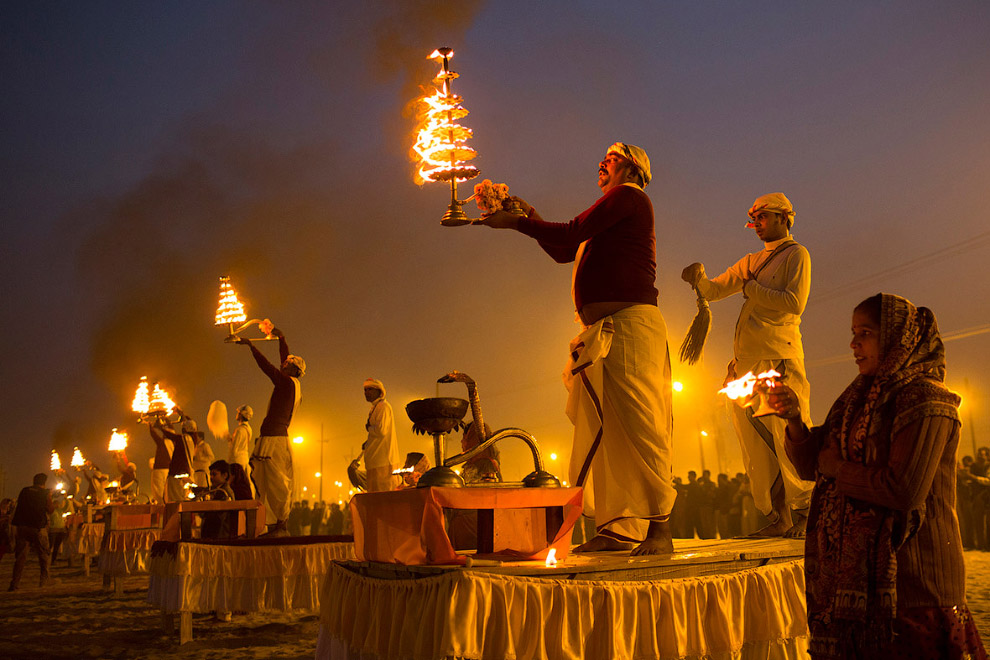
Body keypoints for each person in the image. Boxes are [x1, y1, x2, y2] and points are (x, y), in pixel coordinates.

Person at [477, 142, 674, 555]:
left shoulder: (629, 197)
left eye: (612, 159)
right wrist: (530, 217)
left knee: (640, 427)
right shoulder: (612, 210)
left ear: (633, 170)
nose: (602, 163)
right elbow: (566, 251)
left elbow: (569, 232)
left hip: (630, 329)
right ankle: (618, 529)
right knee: (606, 432)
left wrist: (517, 223)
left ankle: (660, 530)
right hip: (604, 333)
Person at [768, 293, 986, 659]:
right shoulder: (855, 400)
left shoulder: (928, 401)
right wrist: (793, 419)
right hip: (857, 584)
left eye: (865, 333)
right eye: (853, 334)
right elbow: (812, 467)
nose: (853, 344)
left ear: (897, 338)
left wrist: (839, 470)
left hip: (916, 581)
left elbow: (904, 490)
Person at [681, 192, 814, 537]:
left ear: (784, 217)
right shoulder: (751, 260)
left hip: (778, 356)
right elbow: (714, 291)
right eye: (754, 219)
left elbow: (794, 303)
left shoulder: (796, 254)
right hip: (746, 361)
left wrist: (751, 288)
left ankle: (807, 512)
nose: (757, 225)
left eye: (763, 218)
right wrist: (699, 279)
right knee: (755, 442)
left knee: (786, 435)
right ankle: (778, 516)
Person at [238, 324, 305, 536]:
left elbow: (267, 368)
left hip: (275, 441)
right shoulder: (290, 381)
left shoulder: (287, 384)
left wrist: (252, 347)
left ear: (295, 371)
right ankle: (266, 523)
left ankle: (281, 523)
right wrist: (281, 339)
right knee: (262, 482)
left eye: (287, 364)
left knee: (277, 483)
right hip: (269, 438)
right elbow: (283, 360)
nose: (283, 364)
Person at [8, 473, 55, 591]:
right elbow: (50, 510)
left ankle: (14, 583)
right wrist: (49, 496)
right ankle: (44, 581)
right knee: (44, 555)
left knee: (20, 557)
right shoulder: (45, 493)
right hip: (38, 528)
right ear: (44, 483)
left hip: (22, 527)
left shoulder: (24, 491)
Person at [361, 378, 400, 492]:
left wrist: (369, 428)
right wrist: (368, 443)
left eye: (370, 389)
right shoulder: (375, 407)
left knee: (383, 496)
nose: (366, 392)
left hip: (384, 462)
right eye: (365, 390)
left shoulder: (383, 407)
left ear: (379, 391)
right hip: (375, 462)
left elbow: (381, 431)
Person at [148, 421, 174, 503]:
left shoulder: (163, 442)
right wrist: (165, 419)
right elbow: (171, 428)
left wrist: (150, 427)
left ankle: (161, 506)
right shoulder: (173, 443)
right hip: (168, 470)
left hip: (159, 470)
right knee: (166, 491)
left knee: (158, 491)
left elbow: (154, 435)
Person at [228, 404, 253, 476]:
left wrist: (230, 463)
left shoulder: (239, 430)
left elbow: (234, 449)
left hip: (237, 462)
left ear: (242, 415)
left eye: (238, 413)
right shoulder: (249, 429)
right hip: (245, 460)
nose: (237, 414)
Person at [190, 424, 215, 488]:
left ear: (200, 438)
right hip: (196, 471)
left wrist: (200, 458)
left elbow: (211, 457)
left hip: (203, 471)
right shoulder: (195, 446)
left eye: (196, 437)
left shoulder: (205, 445)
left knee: (204, 486)